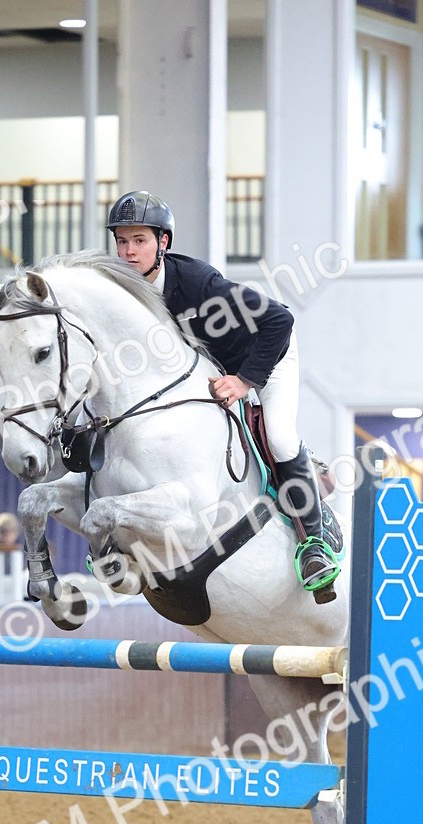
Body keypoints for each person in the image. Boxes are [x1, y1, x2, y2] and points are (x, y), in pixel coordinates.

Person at [106, 189, 340, 600]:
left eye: (139, 241)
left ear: (163, 242)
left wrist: (245, 381)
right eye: (122, 241)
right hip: (210, 368)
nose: (128, 252)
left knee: (280, 436)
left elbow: (279, 320)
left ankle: (314, 545)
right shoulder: (122, 291)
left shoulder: (198, 282)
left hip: (267, 357)